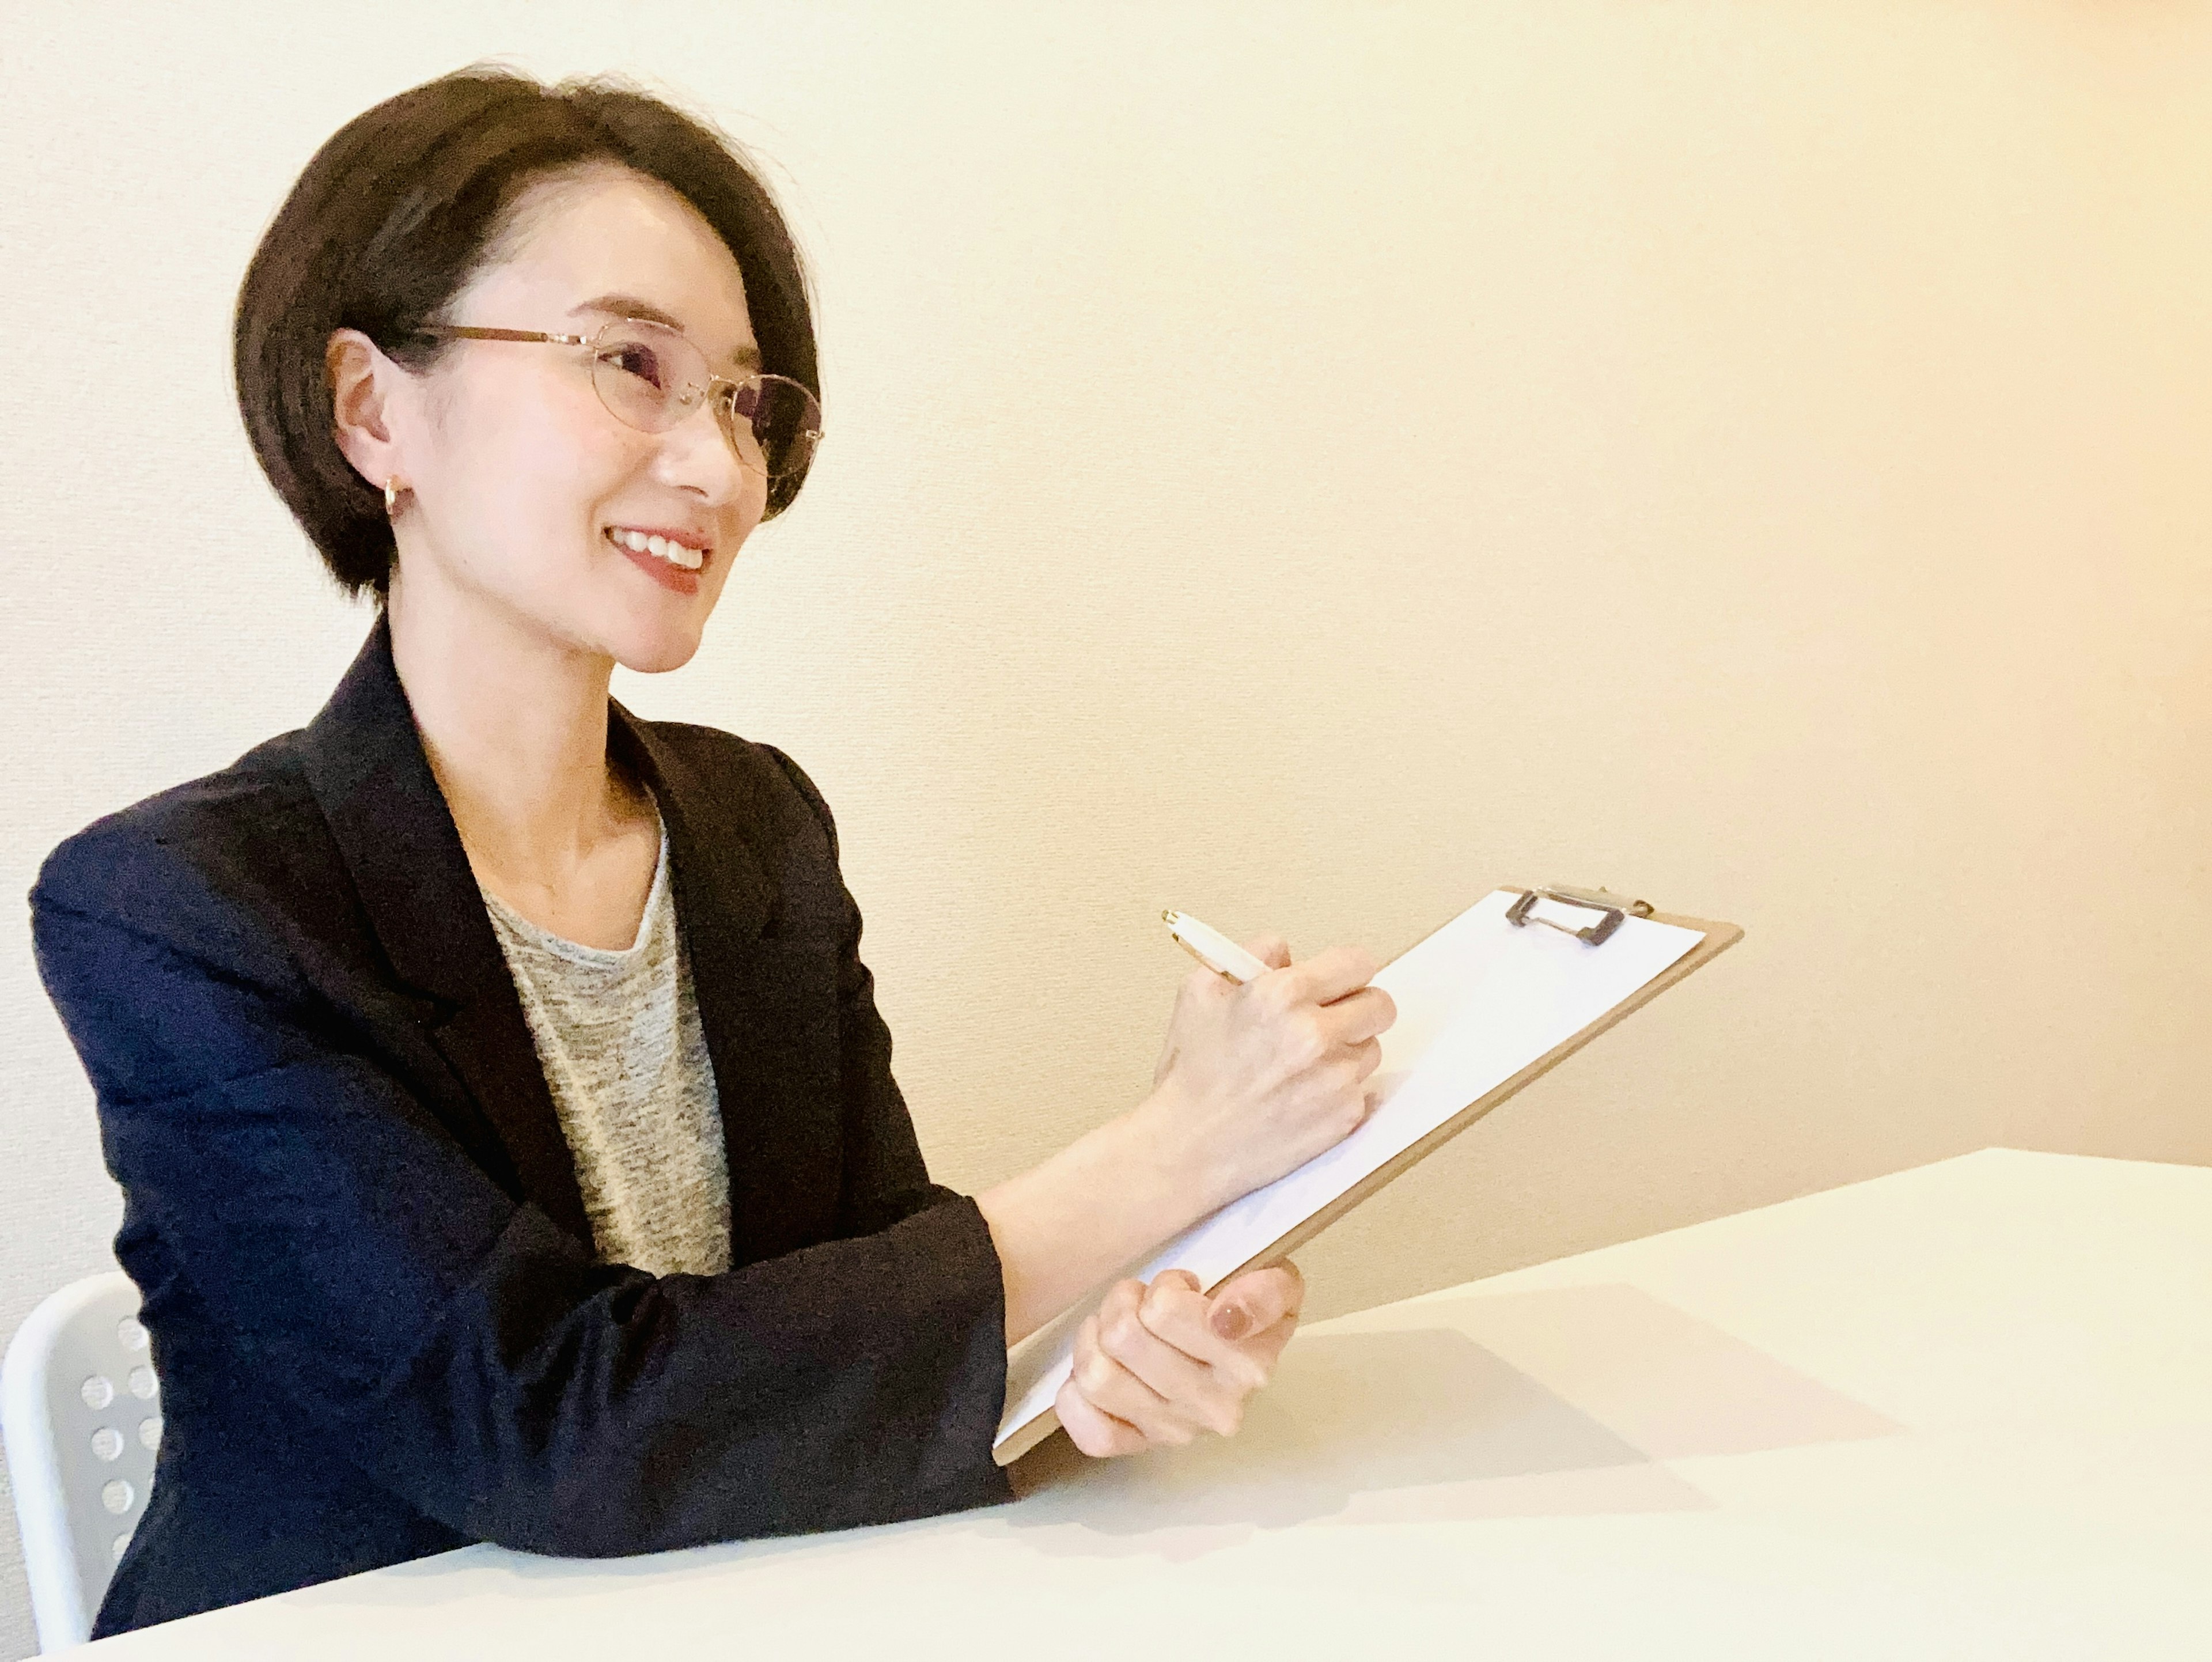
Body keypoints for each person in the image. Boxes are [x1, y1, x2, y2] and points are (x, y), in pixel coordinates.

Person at [28, 64, 1396, 1638]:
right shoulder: (181, 911)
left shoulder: (757, 824)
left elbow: (856, 1286)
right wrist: (1175, 1155)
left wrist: (1089, 1363)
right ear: (372, 410)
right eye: (630, 363)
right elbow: (549, 1420)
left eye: (744, 399)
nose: (717, 465)